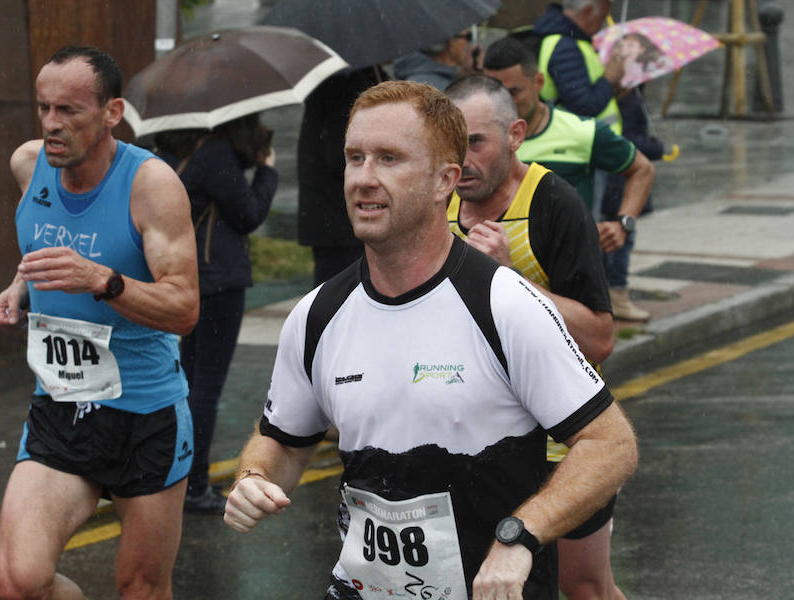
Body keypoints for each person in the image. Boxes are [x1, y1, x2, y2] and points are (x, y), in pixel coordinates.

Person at [223, 80, 638, 600]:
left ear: (446, 179)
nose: (364, 179)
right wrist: (253, 477)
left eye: (390, 159)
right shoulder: (317, 315)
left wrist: (519, 537)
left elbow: (610, 444)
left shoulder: (503, 305)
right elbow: (283, 439)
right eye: (356, 158)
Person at [0, 46, 199, 599]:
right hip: (61, 404)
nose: (53, 124)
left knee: (141, 587)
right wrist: (21, 284)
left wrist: (102, 281)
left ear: (112, 112)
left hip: (145, 414)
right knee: (20, 581)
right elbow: (43, 237)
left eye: (70, 111)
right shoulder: (27, 164)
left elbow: (184, 309)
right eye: (44, 109)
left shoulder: (151, 185)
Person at [444, 73, 627, 600]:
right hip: (476, 438)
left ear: (515, 134)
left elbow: (599, 338)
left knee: (583, 586)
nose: (462, 159)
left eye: (476, 142)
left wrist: (509, 279)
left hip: (560, 441)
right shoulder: (439, 202)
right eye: (452, 144)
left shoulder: (554, 204)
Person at [153, 115, 277, 514]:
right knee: (205, 387)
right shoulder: (215, 153)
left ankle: (180, 480)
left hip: (191, 278)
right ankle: (194, 485)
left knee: (188, 383)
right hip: (219, 281)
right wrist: (267, 171)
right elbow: (248, 214)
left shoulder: (177, 151)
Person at [483, 35, 655, 322]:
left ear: (538, 83)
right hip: (499, 282)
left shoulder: (581, 131)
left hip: (571, 282)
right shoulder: (478, 141)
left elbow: (642, 169)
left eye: (514, 92)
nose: (504, 103)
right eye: (494, 91)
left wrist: (624, 222)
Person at [298, 66, 385, 286]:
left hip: (333, 220)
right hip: (338, 222)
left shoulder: (338, 78)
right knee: (338, 300)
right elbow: (340, 155)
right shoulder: (347, 84)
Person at [601, 87, 666, 322]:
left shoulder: (631, 96)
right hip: (618, 182)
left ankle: (614, 294)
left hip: (619, 182)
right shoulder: (619, 100)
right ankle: (616, 296)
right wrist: (654, 146)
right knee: (619, 241)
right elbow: (626, 140)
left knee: (619, 238)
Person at [532, 0, 624, 135]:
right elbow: (583, 107)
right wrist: (609, 79)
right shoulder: (565, 47)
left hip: (592, 140)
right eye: (602, 18)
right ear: (587, 11)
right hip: (584, 143)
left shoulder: (572, 39)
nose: (601, 26)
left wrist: (613, 89)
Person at [393, 30, 481, 91]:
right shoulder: (426, 87)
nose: (470, 43)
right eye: (468, 37)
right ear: (451, 43)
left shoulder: (438, 79)